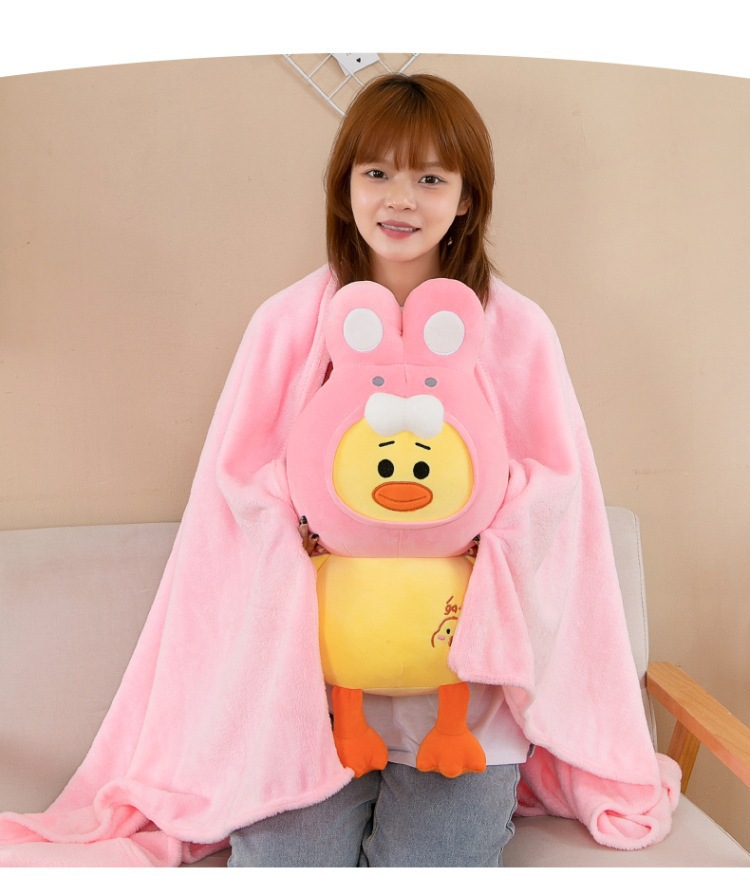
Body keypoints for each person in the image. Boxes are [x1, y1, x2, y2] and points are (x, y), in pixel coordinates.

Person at [229, 72, 525, 868]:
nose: (401, 199)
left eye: (430, 177)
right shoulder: (287, 324)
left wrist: (484, 532)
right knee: (282, 862)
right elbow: (238, 480)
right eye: (377, 172)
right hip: (317, 690)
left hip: (460, 696)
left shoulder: (514, 329)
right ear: (346, 186)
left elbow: (558, 490)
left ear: (466, 198)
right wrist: (303, 528)